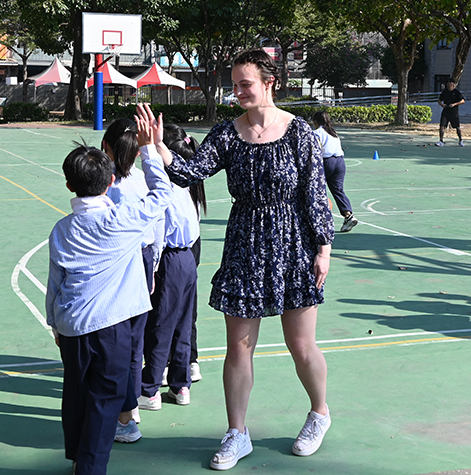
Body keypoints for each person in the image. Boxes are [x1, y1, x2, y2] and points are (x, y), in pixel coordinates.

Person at [136, 47, 335, 471]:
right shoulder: (228, 134)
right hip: (245, 243)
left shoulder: (299, 133)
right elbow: (191, 172)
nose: (238, 92)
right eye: (235, 85)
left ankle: (319, 413)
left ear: (269, 82)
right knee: (239, 347)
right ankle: (237, 433)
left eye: (246, 84)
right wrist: (158, 147)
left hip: (294, 244)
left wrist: (323, 248)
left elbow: (315, 194)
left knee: (301, 344)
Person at [45, 120, 172, 475]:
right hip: (111, 326)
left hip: (72, 326)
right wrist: (148, 149)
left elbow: (55, 282)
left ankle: (77, 456)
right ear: (111, 181)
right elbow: (162, 194)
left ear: (69, 185)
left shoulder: (61, 229)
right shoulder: (125, 219)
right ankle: (89, 467)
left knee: (76, 393)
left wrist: (54, 324)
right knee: (106, 398)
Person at [101, 118, 160, 437]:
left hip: (116, 261)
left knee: (113, 341)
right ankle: (131, 407)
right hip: (144, 257)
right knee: (135, 340)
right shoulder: (145, 181)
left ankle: (121, 414)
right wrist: (154, 265)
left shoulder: (104, 184)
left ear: (105, 146)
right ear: (138, 152)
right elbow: (159, 223)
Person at [137, 125, 201, 411]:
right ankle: (181, 385)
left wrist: (152, 269)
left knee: (160, 325)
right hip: (188, 258)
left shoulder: (163, 190)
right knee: (183, 326)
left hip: (170, 260)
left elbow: (158, 234)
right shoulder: (187, 186)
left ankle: (150, 389)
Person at [164, 124, 207, 384]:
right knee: (187, 307)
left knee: (164, 310)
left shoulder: (168, 185)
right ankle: (191, 361)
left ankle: (164, 364)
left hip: (172, 250)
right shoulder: (194, 181)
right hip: (193, 246)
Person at [312, 111, 357, 233]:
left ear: (315, 122)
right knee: (338, 190)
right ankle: (348, 216)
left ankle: (320, 219)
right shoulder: (333, 133)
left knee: (317, 189)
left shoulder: (316, 133)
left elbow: (314, 151)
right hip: (340, 162)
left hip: (327, 162)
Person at [436, 78, 465, 147]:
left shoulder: (456, 92)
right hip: (445, 112)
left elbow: (462, 101)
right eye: (448, 82)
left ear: (453, 84)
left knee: (457, 127)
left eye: (451, 82)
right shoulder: (444, 92)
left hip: (454, 112)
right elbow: (439, 100)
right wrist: (442, 105)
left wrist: (454, 104)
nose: (449, 83)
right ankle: (441, 141)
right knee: (442, 126)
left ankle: (460, 140)